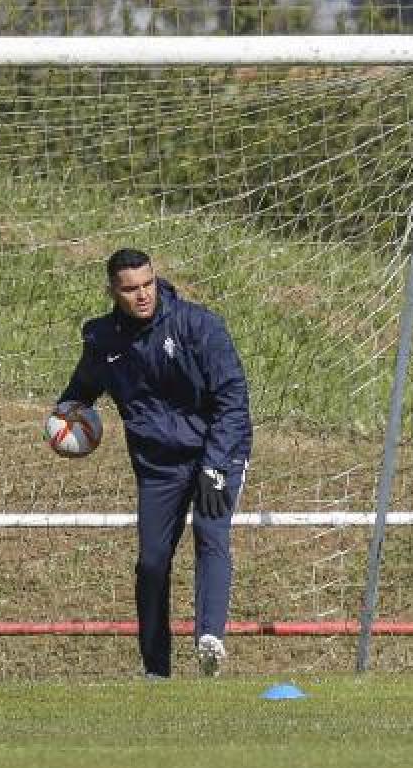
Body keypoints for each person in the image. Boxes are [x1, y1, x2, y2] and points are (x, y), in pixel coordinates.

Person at [54, 248, 252, 678]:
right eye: (130, 289)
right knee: (151, 562)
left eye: (147, 284)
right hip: (158, 464)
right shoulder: (103, 340)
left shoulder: (198, 325)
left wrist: (216, 465)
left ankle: (209, 638)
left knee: (210, 532)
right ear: (113, 291)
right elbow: (80, 392)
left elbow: (233, 400)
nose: (142, 295)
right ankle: (155, 670)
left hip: (214, 448)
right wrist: (63, 422)